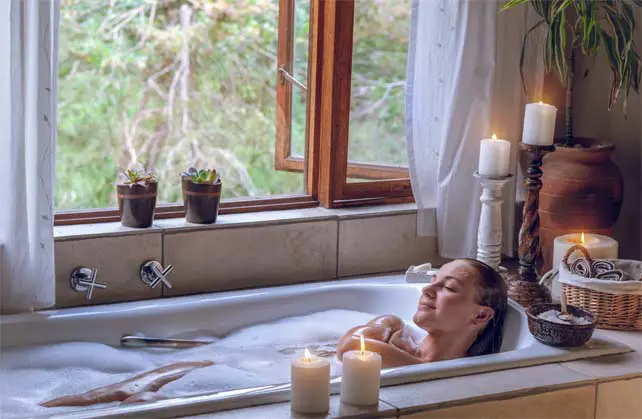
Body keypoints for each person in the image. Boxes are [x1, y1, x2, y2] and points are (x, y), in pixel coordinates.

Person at [337, 258, 508, 368]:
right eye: (433, 280)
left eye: (449, 287)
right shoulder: (397, 330)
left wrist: (417, 366)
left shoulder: (463, 379)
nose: (427, 289)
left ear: (480, 316)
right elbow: (350, 346)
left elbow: (349, 349)